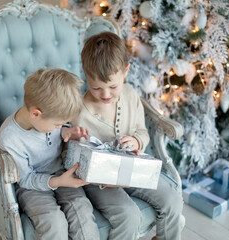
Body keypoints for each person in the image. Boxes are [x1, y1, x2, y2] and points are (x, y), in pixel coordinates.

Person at [72, 31, 183, 240]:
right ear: (86, 76)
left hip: (133, 171)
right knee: (129, 215)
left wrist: (136, 140)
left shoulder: (131, 96)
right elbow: (74, 157)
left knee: (172, 199)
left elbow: (142, 132)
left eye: (113, 87)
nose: (105, 95)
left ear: (126, 71)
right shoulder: (79, 110)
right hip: (99, 184)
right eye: (96, 88)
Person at [0, 68, 99, 240]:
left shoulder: (45, 119)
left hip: (60, 172)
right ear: (35, 114)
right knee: (54, 222)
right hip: (31, 185)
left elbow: (53, 129)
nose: (59, 127)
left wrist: (65, 131)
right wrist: (57, 181)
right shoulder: (10, 139)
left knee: (81, 209)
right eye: (58, 124)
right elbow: (26, 179)